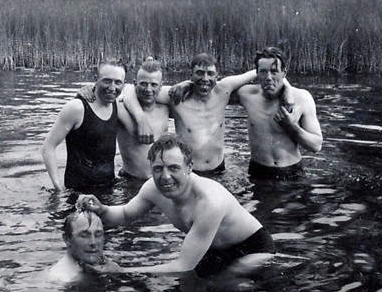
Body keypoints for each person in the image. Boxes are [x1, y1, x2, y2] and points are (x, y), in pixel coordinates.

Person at [77, 134, 275, 275]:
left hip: (254, 249)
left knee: (223, 285)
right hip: (215, 250)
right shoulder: (152, 189)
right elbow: (125, 215)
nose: (165, 177)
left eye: (173, 168)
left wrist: (123, 271)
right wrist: (101, 209)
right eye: (158, 169)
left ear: (189, 167)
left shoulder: (209, 202)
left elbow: (183, 267)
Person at [121, 53, 281, 174]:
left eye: (210, 74)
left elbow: (261, 72)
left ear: (217, 76)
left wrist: (286, 90)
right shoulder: (176, 96)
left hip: (219, 169)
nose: (205, 78)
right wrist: (141, 120)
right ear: (191, 74)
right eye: (199, 73)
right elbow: (130, 90)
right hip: (191, 172)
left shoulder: (224, 89)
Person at [236, 47, 322, 180]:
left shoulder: (302, 98)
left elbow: (316, 145)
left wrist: (292, 127)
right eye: (263, 72)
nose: (269, 78)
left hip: (291, 171)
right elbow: (215, 90)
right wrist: (191, 84)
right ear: (257, 73)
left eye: (274, 71)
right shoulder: (247, 95)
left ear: (284, 72)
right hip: (258, 171)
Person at [42, 59, 125, 192]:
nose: (112, 88)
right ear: (96, 79)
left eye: (118, 82)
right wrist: (57, 187)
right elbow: (48, 147)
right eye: (106, 81)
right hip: (78, 192)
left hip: (109, 188)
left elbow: (149, 90)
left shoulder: (118, 103)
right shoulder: (77, 108)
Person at [115, 57, 170, 180]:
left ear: (161, 86)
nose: (148, 90)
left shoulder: (166, 109)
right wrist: (87, 91)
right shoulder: (120, 110)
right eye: (143, 84)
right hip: (131, 180)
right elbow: (97, 104)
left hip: (159, 181)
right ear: (135, 84)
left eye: (154, 85)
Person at [49, 210, 119, 282]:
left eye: (98, 235)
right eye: (84, 236)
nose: (93, 242)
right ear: (67, 239)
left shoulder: (106, 265)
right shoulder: (63, 279)